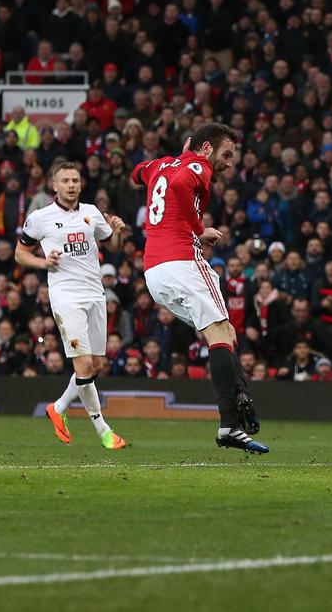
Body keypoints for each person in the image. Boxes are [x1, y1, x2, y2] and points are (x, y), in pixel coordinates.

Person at [131, 122, 267, 453]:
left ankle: (236, 403)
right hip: (182, 262)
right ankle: (230, 424)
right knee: (222, 332)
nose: (230, 162)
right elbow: (180, 182)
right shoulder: (197, 166)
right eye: (227, 154)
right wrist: (199, 228)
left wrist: (173, 161)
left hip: (154, 272)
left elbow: (137, 173)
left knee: (222, 334)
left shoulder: (161, 163)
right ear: (205, 148)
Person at [17, 162, 128, 449]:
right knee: (84, 364)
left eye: (75, 180)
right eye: (65, 180)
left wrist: (117, 231)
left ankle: (58, 407)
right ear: (54, 185)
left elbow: (112, 245)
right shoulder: (40, 218)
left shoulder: (91, 213)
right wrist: (43, 262)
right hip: (66, 296)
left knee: (97, 365)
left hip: (95, 294)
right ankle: (103, 429)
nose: (71, 185)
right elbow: (20, 254)